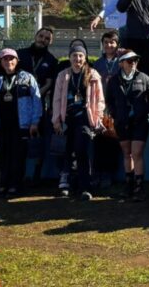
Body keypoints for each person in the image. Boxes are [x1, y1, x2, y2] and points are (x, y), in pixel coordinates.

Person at [0, 49, 41, 197]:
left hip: (21, 124)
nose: (8, 62)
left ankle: (15, 185)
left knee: (17, 156)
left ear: (17, 61)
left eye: (12, 59)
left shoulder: (27, 77)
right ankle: (4, 184)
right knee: (3, 156)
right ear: (1, 62)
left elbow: (37, 101)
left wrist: (35, 122)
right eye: (5, 59)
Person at [52, 46, 105, 201]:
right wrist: (56, 120)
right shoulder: (63, 75)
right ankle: (66, 184)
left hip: (85, 118)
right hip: (66, 117)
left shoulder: (93, 75)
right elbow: (56, 99)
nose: (77, 59)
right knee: (66, 151)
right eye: (74, 56)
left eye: (81, 56)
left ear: (85, 57)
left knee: (82, 151)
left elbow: (100, 99)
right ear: (69, 58)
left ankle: (85, 187)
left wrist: (97, 118)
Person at [104, 51, 149, 201]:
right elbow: (109, 100)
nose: (133, 62)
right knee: (127, 153)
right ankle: (129, 184)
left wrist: (144, 111)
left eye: (135, 60)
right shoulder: (114, 80)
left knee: (137, 153)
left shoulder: (144, 78)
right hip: (122, 122)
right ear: (121, 63)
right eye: (129, 60)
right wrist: (116, 115)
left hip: (140, 122)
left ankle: (139, 186)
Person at [16, 27, 58, 184]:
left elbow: (50, 84)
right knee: (18, 140)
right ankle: (17, 175)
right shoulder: (20, 54)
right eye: (41, 36)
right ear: (35, 36)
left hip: (38, 105)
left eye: (47, 38)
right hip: (18, 104)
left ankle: (35, 175)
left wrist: (38, 92)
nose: (43, 40)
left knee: (37, 139)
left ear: (50, 42)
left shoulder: (52, 60)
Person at [92, 31, 123, 188]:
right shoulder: (97, 63)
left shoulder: (122, 62)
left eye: (112, 42)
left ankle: (109, 174)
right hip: (99, 108)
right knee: (98, 141)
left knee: (113, 141)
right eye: (106, 42)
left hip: (116, 108)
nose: (109, 45)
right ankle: (97, 173)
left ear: (117, 44)